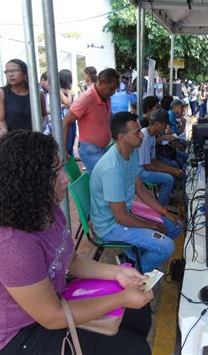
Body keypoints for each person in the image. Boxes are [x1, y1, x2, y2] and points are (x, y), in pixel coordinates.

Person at [0, 130, 153, 354]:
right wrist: (121, 298)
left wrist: (116, 273)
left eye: (61, 167)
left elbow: (70, 260)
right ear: (27, 182)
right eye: (55, 173)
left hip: (54, 303)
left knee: (139, 315)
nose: (66, 178)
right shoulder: (10, 245)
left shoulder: (47, 211)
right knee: (135, 349)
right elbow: (52, 316)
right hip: (23, 334)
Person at [91, 112, 183, 272]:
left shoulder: (130, 152)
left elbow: (139, 188)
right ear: (122, 137)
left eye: (140, 131)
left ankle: (133, 257)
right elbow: (120, 217)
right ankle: (134, 271)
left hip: (124, 215)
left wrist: (164, 211)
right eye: (137, 133)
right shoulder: (112, 168)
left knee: (175, 226)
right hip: (110, 226)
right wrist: (151, 226)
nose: (142, 135)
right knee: (167, 246)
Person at [62, 68, 119, 172]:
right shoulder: (86, 98)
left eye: (115, 89)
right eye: (111, 89)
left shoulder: (106, 97)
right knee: (107, 177)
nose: (113, 93)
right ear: (101, 83)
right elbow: (66, 121)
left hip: (101, 148)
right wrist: (64, 148)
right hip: (90, 150)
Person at [138, 109, 182, 206]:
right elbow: (147, 166)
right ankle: (161, 209)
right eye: (165, 124)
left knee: (173, 168)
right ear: (157, 123)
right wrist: (171, 170)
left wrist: (172, 169)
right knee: (168, 179)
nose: (166, 127)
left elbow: (154, 160)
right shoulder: (144, 137)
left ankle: (165, 199)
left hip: (145, 167)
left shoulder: (152, 136)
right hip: (138, 171)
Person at [0, 59, 47, 134]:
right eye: (7, 72)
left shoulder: (37, 94)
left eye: (14, 71)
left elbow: (44, 115)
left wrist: (40, 130)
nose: (10, 74)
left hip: (34, 138)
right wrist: (4, 132)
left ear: (25, 73)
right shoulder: (0, 93)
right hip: (12, 139)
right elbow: (0, 120)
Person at [59, 69, 76, 157]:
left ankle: (71, 160)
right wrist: (69, 92)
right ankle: (66, 164)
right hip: (65, 120)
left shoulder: (67, 91)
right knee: (67, 145)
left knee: (72, 143)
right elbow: (68, 103)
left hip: (72, 118)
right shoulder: (59, 91)